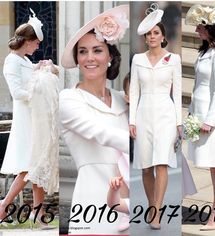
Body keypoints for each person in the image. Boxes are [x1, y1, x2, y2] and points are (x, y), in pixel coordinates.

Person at [59, 5, 129, 235]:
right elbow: (101, 133)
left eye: (97, 50)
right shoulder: (68, 99)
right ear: (77, 59)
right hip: (93, 206)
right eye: (83, 51)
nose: (89, 58)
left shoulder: (123, 100)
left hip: (131, 206)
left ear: (110, 56)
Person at [0, 9, 58, 229]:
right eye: (36, 44)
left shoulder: (24, 60)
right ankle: (5, 205)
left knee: (37, 165)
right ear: (29, 41)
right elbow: (17, 92)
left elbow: (36, 76)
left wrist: (44, 68)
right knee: (30, 167)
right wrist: (37, 89)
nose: (37, 47)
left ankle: (37, 213)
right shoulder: (12, 61)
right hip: (26, 118)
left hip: (35, 119)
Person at [129, 4, 182, 230]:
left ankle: (157, 211)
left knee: (161, 163)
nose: (152, 37)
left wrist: (179, 123)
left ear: (163, 36)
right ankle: (152, 205)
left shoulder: (174, 60)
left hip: (165, 115)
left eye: (156, 33)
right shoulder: (137, 59)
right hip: (143, 114)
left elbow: (177, 93)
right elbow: (133, 92)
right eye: (149, 33)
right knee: (145, 166)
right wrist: (131, 120)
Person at [185, 2, 215, 231]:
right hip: (199, 112)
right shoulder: (205, 51)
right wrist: (192, 113)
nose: (196, 31)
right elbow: (199, 86)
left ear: (210, 27)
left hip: (211, 118)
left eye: (199, 27)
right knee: (211, 165)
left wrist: (210, 121)